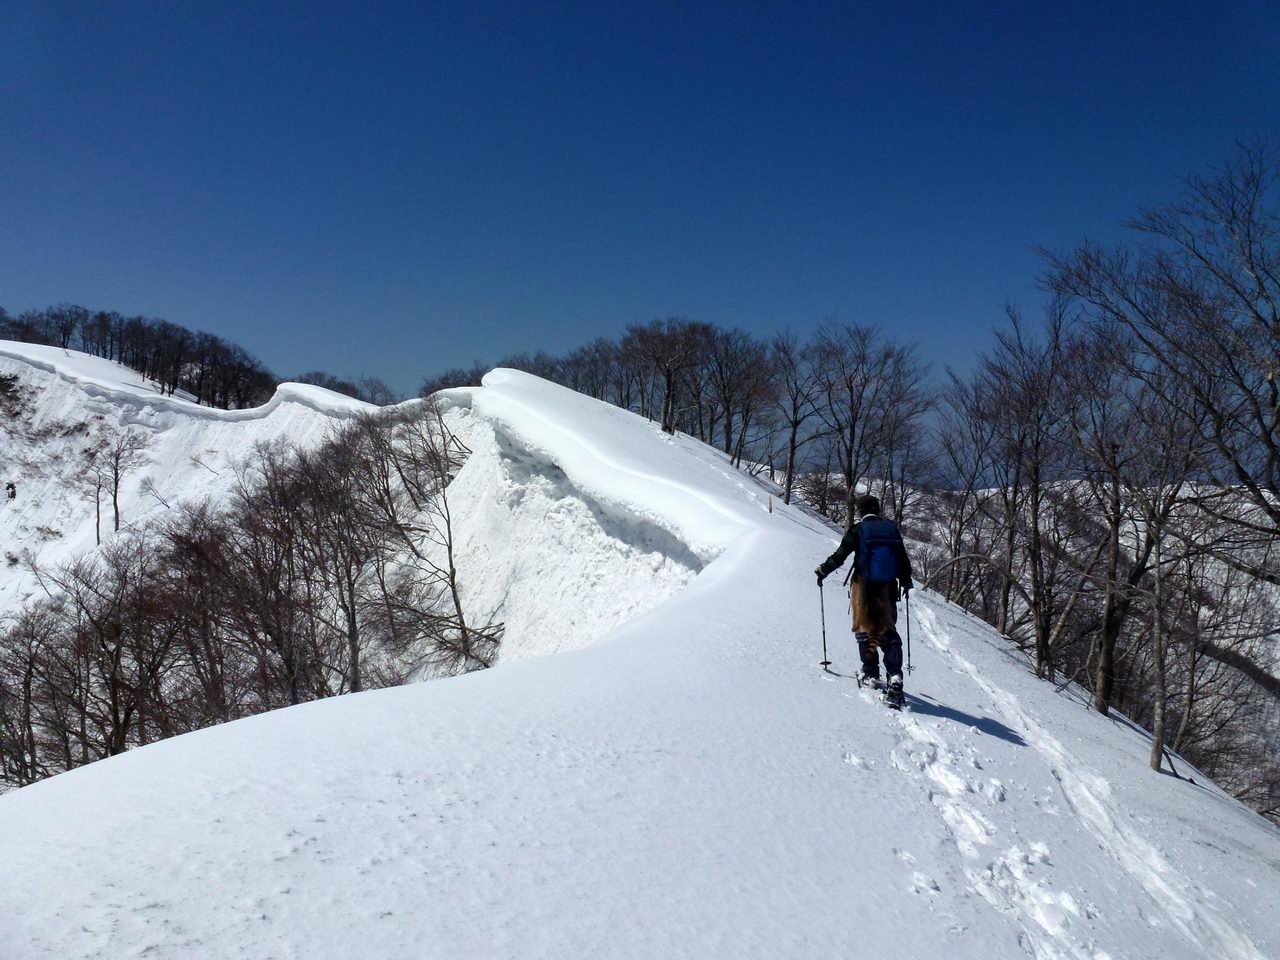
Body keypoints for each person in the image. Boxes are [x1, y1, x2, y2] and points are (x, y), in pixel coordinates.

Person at [815, 494, 913, 707]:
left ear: (860, 512)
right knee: (887, 630)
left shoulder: (857, 531)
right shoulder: (890, 530)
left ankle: (870, 674)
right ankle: (895, 675)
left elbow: (840, 556)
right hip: (888, 588)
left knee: (863, 629)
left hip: (864, 588)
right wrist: (906, 582)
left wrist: (823, 570)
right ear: (877, 510)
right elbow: (902, 560)